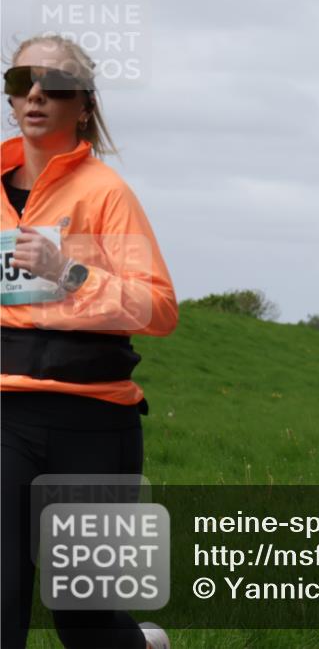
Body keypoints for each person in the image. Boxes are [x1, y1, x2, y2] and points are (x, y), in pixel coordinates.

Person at [1, 36, 177, 649]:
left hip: (92, 422)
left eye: (55, 83)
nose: (36, 93)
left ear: (83, 105)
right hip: (6, 417)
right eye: (21, 80)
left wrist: (69, 272)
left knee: (84, 618)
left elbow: (158, 309)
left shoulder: (106, 194)